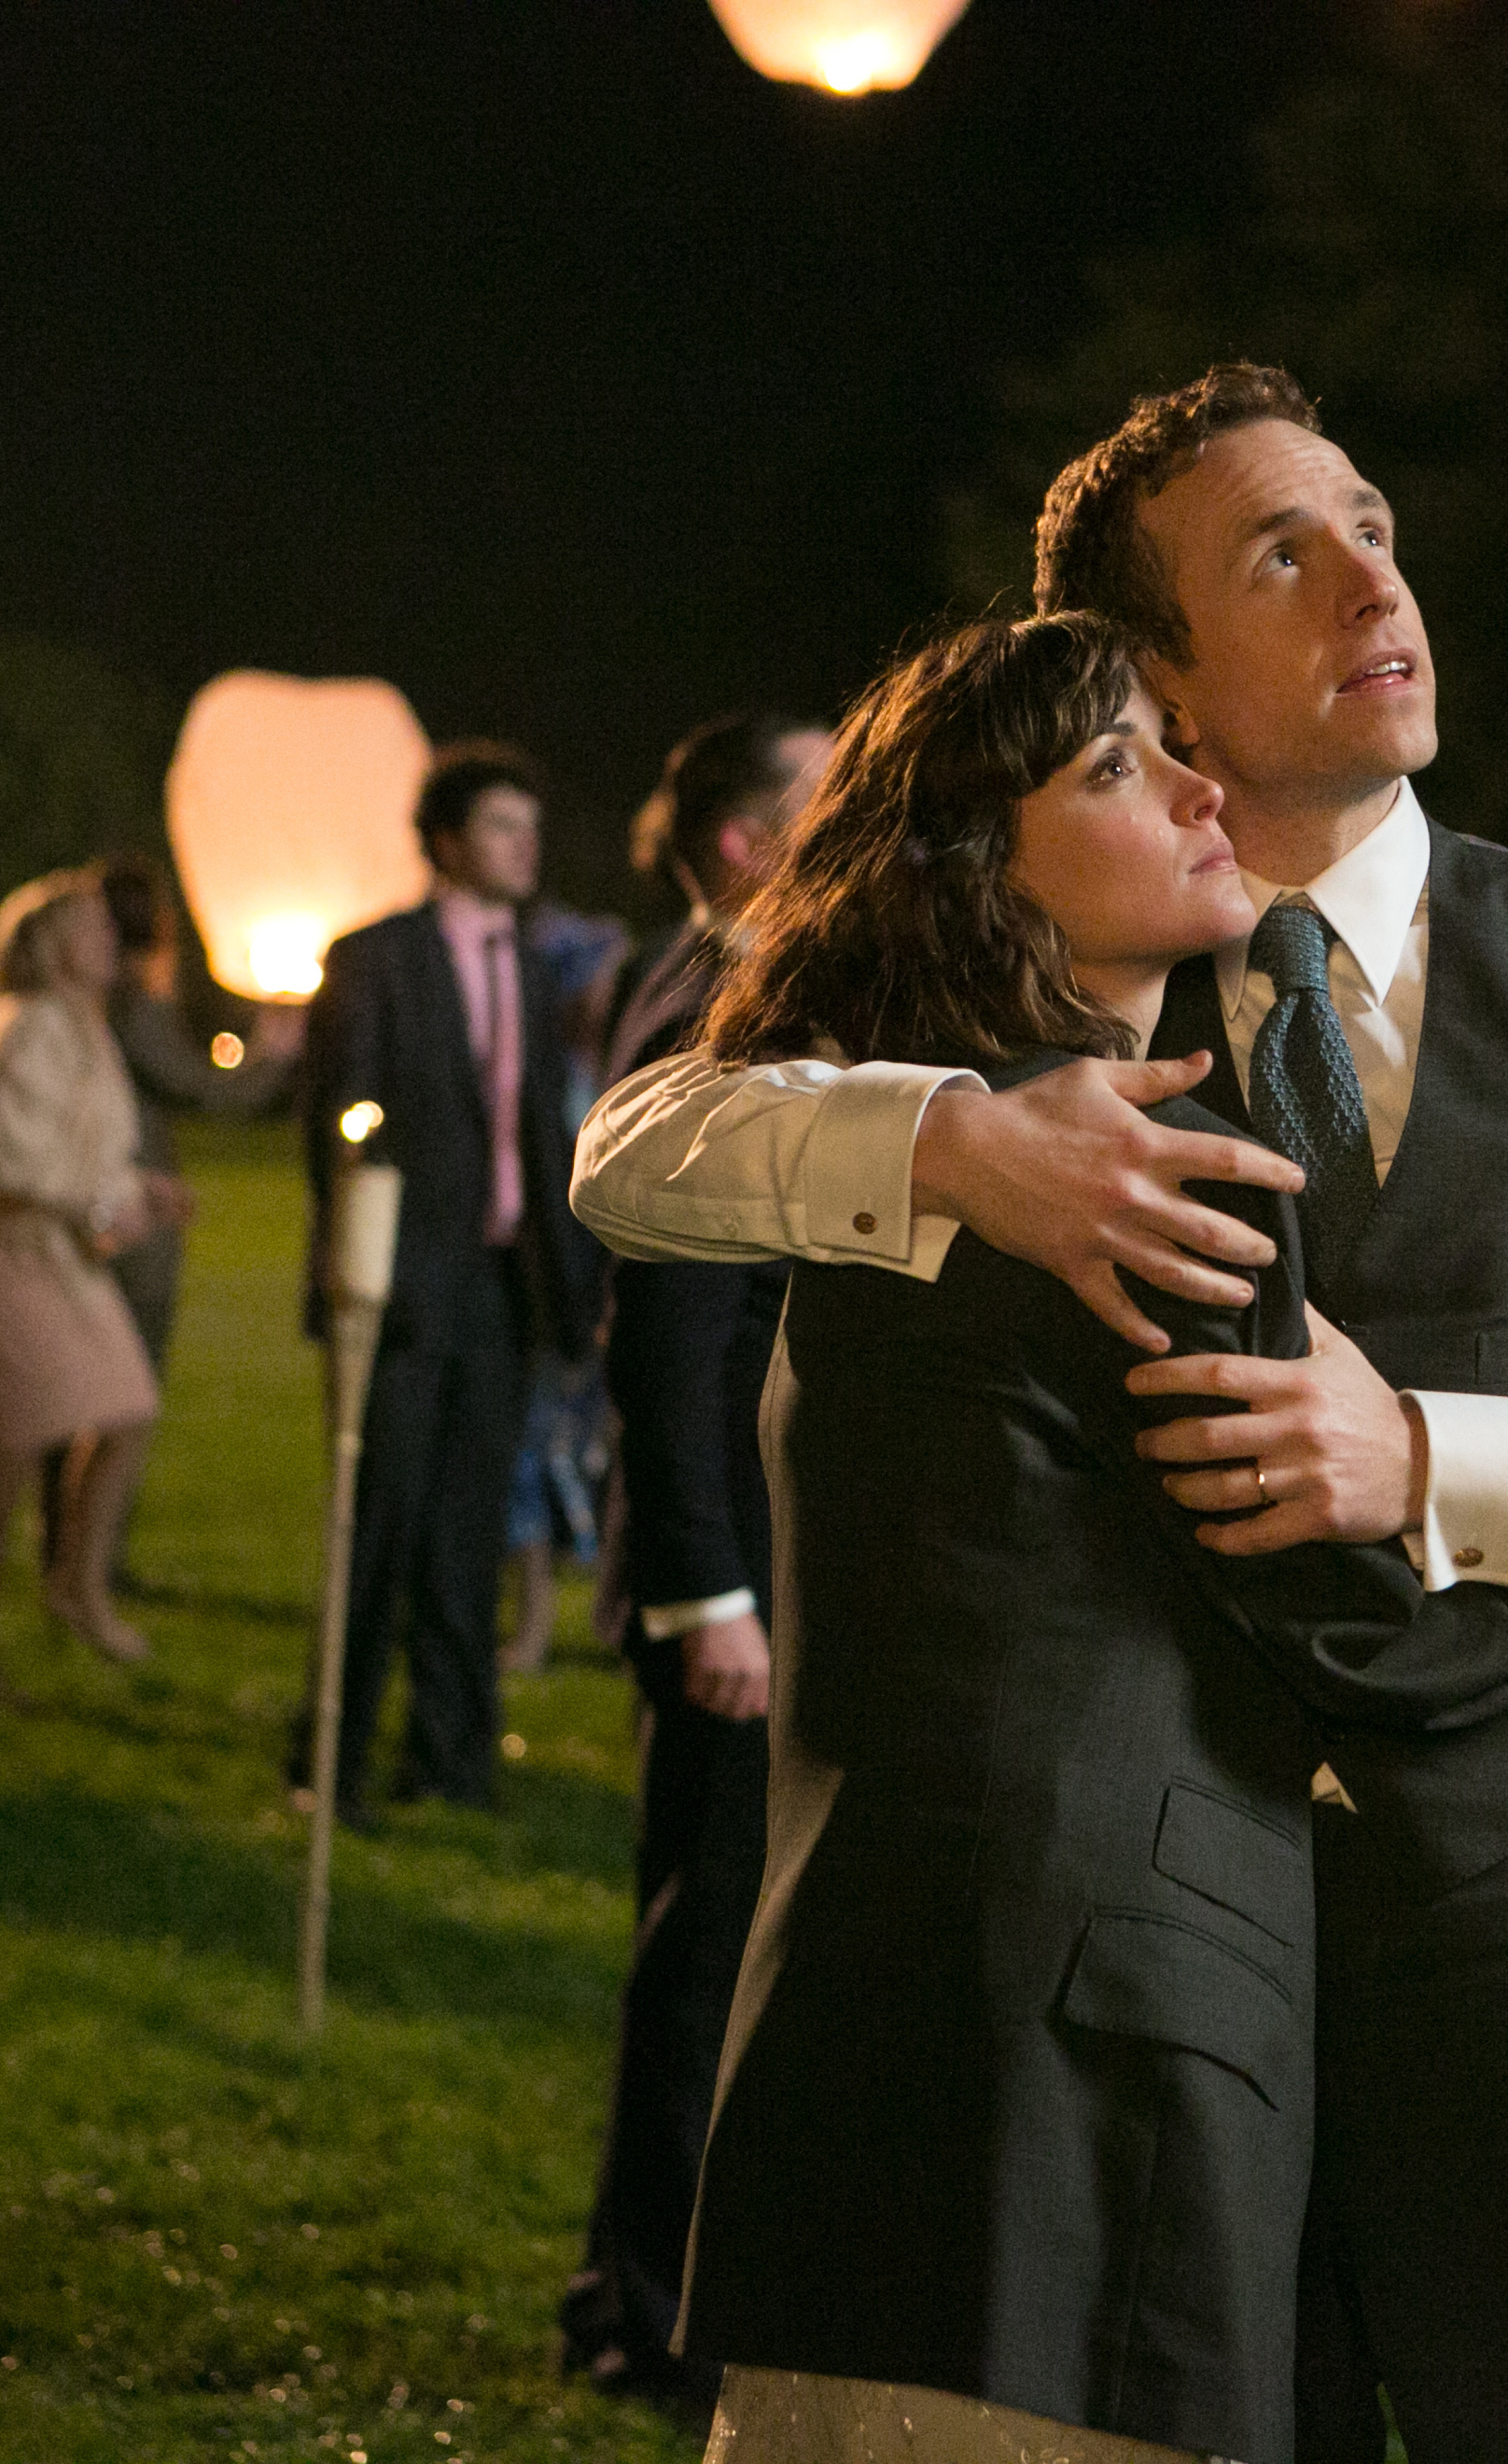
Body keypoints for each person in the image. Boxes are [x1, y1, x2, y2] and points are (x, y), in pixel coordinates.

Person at [579, 364, 1508, 2462]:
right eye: (1286, 555)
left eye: (1373, 526)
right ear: (1157, 676)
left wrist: (1427, 1457)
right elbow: (643, 1141)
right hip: (1168, 1986)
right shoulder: (1070, 962)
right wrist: (953, 1142)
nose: (1376, 581)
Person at [556, 708, 829, 2418]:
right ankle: (648, 2315)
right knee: (709, 1947)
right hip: (722, 1572)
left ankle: (669, 2292)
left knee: (727, 1937)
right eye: (827, 789)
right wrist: (706, 1590)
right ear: (743, 842)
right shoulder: (723, 999)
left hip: (735, 1561)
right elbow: (666, 1327)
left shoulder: (716, 973)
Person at [295, 742, 598, 1826]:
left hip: (501, 1285)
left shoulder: (531, 965)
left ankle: (453, 1758)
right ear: (445, 842)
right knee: (378, 1526)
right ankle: (329, 1762)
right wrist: (363, 1269)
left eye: (532, 826)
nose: (527, 846)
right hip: (399, 1283)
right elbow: (341, 1126)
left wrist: (566, 1283)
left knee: (470, 1528)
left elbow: (536, 1129)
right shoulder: (375, 958)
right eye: (503, 826)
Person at [0, 868, 186, 1703]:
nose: (111, 938)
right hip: (3, 1255)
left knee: (127, 1409)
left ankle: (77, 1583)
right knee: (6, 1454)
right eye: (91, 927)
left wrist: (139, 1189)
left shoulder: (86, 1027)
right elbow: (10, 1158)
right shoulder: (25, 1025)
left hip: (63, 1256)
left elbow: (87, 1150)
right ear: (46, 945)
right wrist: (109, 1203)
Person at [39, 861, 298, 1590]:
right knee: (122, 1394)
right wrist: (274, 1051)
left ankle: (66, 1549)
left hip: (91, 1210)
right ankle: (91, 1560)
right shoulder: (130, 1008)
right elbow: (202, 1090)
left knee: (77, 1391)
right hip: (129, 1222)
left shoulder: (76, 1005)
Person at [499, 896, 633, 1674]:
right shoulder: (541, 1075)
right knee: (532, 1452)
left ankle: (618, 1620)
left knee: (614, 1459)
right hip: (555, 1294)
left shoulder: (630, 1065)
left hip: (618, 1288)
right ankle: (533, 1625)